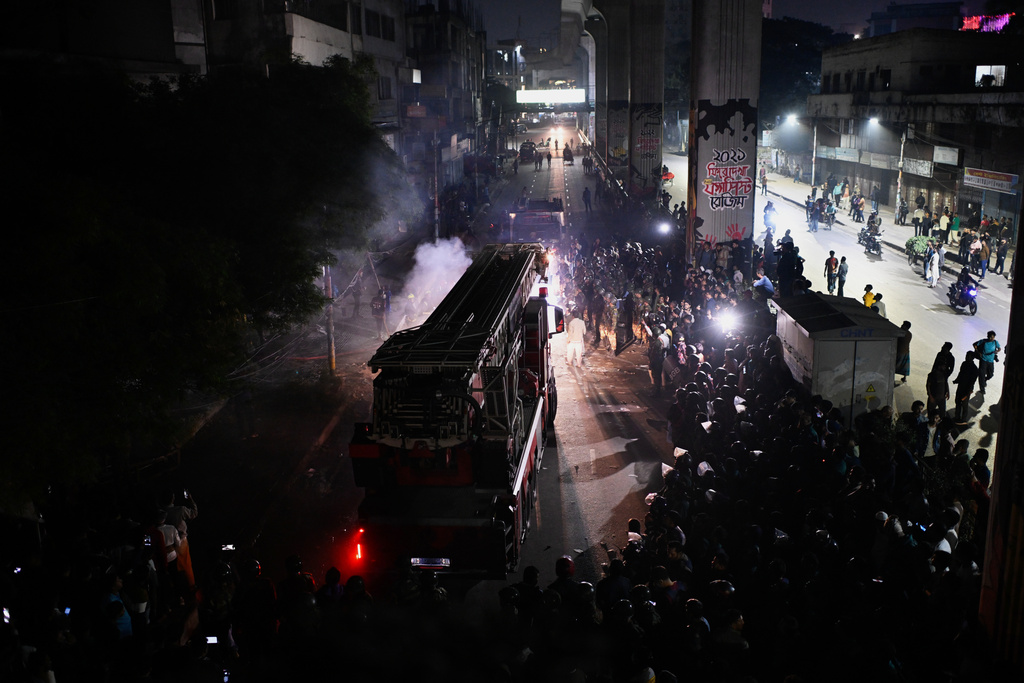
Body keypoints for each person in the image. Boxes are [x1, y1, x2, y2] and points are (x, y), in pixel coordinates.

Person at [952, 351, 980, 424]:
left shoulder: (974, 369)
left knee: (964, 403)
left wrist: (969, 391)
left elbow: (972, 381)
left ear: (972, 358)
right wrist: (957, 380)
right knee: (958, 401)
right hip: (961, 386)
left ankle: (963, 418)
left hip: (967, 388)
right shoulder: (964, 364)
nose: (966, 357)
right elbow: (960, 373)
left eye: (968, 356)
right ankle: (957, 416)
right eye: (966, 355)